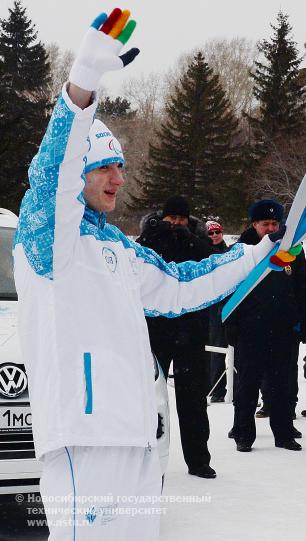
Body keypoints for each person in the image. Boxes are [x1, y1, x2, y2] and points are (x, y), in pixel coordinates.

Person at [12, 10, 280, 539]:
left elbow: (182, 286)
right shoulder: (50, 239)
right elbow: (52, 174)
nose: (119, 177)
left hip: (136, 437)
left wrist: (257, 252)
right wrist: (83, 83)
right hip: (84, 438)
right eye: (105, 168)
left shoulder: (116, 246)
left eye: (121, 165)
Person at [137, 196, 217, 478]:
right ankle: (144, 457)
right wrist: (154, 234)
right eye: (172, 220)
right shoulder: (150, 235)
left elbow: (209, 262)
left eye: (181, 220)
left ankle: (198, 460)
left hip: (190, 329)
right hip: (156, 330)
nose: (175, 224)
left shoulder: (197, 239)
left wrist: (188, 238)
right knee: (147, 398)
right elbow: (139, 263)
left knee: (193, 399)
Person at [225, 199, 306, 453]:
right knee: (247, 385)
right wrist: (229, 323)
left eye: (275, 223)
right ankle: (243, 432)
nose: (272, 228)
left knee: (282, 385)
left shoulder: (292, 252)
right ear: (255, 225)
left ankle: (283, 433)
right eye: (266, 224)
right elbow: (227, 291)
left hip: (283, 328)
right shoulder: (241, 251)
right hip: (250, 328)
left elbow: (303, 288)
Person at [206, 220, 229, 403]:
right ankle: (216, 389)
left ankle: (234, 388)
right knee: (215, 348)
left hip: (228, 303)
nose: (214, 235)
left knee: (232, 347)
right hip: (210, 306)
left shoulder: (228, 251)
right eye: (211, 233)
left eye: (217, 232)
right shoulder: (203, 252)